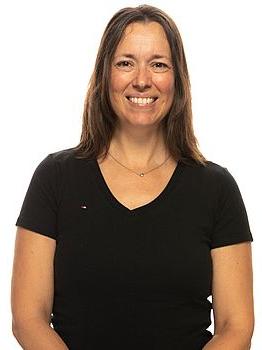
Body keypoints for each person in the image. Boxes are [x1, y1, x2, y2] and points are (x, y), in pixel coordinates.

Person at [11, 4, 254, 350]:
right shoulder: (55, 179)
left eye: (158, 64)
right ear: (105, 74)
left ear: (177, 79)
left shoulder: (217, 189)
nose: (142, 79)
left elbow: (236, 327)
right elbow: (28, 318)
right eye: (125, 63)